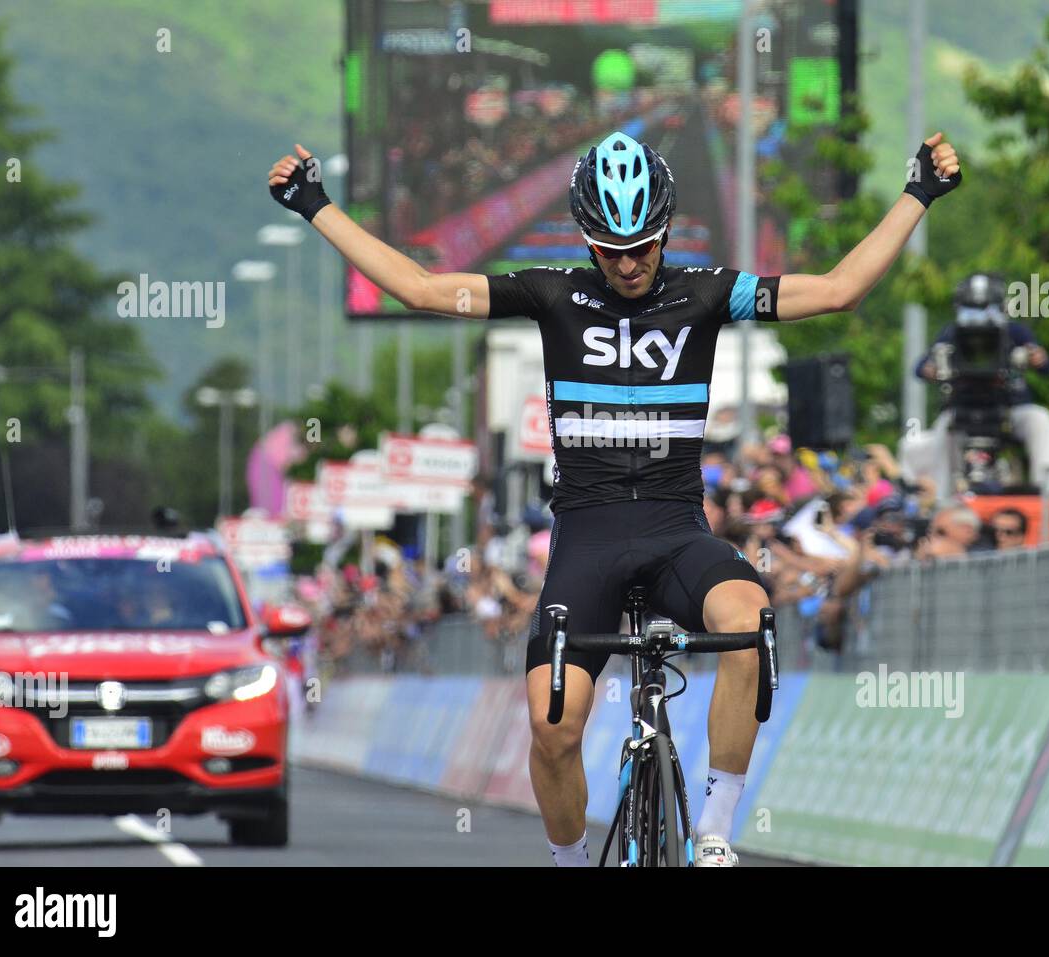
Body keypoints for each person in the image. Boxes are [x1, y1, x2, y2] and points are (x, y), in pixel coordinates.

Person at [270, 129, 963, 866]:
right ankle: (571, 862)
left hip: (676, 532)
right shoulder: (549, 293)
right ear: (586, 240)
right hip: (588, 539)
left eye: (644, 245)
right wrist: (315, 203)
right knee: (553, 726)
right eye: (610, 248)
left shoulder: (706, 294)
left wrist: (917, 192)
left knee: (749, 614)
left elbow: (838, 290)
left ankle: (717, 830)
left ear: (665, 231)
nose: (629, 264)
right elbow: (417, 286)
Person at [900, 272, 1049, 497]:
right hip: (962, 413)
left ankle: (1047, 496)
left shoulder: (1014, 332)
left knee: (1040, 420)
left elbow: (1047, 367)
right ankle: (943, 500)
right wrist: (933, 369)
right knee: (943, 430)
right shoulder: (952, 334)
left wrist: (1037, 358)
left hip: (1007, 409)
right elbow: (920, 368)